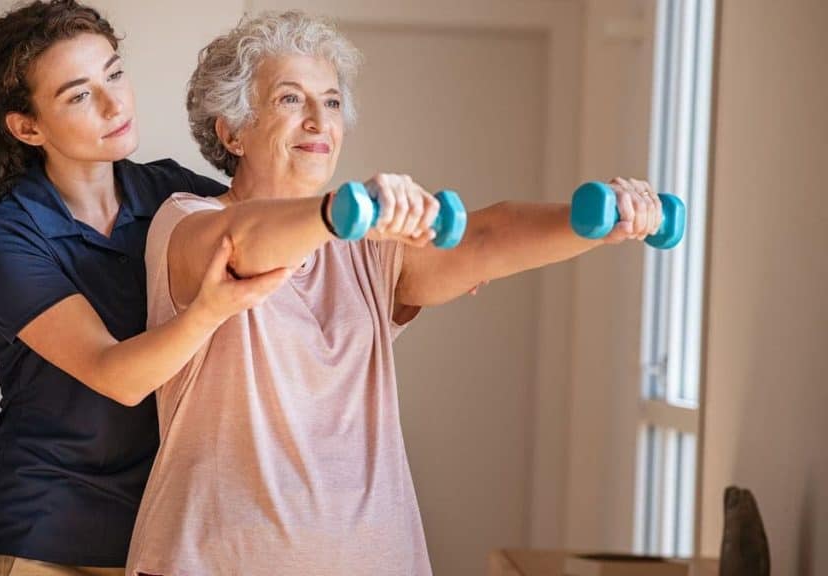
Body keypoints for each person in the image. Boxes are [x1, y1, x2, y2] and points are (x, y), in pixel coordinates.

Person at [125, 11, 665, 575]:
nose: (318, 121)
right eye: (290, 99)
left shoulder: (368, 249)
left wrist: (598, 221)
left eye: (331, 103)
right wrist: (343, 212)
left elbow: (483, 236)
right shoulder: (187, 221)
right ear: (231, 130)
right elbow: (240, 247)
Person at [0, 1, 291, 574]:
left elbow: (262, 228)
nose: (113, 103)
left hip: (158, 534)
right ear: (28, 127)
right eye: (79, 95)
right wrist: (209, 310)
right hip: (44, 538)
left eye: (115, 73)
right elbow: (116, 376)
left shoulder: (171, 193)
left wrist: (387, 274)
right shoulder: (4, 234)